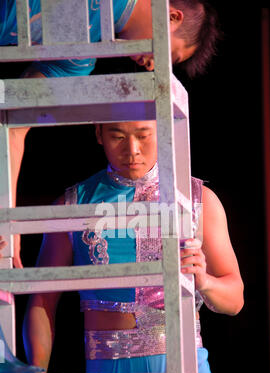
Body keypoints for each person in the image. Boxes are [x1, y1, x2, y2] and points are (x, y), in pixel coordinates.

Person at [15, 120, 244, 373]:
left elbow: (235, 298)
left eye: (143, 135)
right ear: (98, 134)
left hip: (186, 371)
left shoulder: (196, 199)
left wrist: (204, 282)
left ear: (162, 130)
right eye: (117, 136)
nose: (132, 149)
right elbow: (42, 301)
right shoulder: (73, 204)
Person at [0, 0, 222, 268]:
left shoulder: (79, 57)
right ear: (172, 17)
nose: (154, 66)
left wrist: (7, 226)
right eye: (170, 57)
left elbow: (12, 124)